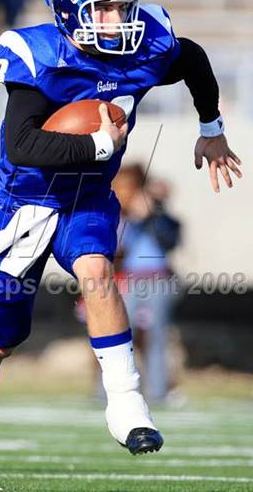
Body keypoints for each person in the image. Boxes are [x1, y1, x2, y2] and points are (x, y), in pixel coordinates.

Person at [0, 0, 243, 455]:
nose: (118, 21)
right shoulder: (40, 56)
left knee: (97, 272)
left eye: (121, 8)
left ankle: (128, 405)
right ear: (72, 12)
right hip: (26, 204)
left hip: (87, 198)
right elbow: (22, 145)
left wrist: (211, 127)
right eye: (104, 10)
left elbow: (191, 57)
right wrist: (97, 147)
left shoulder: (142, 48)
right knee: (4, 335)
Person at [114, 166, 182, 403]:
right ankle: (115, 389)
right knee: (120, 335)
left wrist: (152, 215)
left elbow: (170, 241)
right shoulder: (127, 219)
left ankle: (158, 391)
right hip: (131, 280)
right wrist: (133, 217)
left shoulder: (166, 221)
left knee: (157, 337)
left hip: (158, 279)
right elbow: (120, 247)